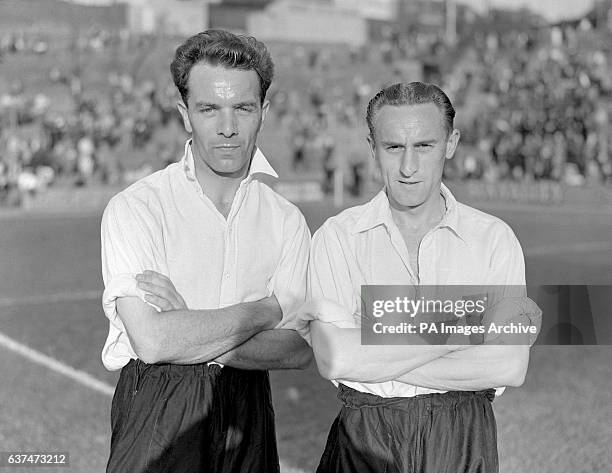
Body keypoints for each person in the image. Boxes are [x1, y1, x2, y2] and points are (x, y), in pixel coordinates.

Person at [299, 82, 541, 473]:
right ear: (372, 147)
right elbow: (336, 358)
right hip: (365, 435)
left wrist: (372, 343)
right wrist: (469, 323)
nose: (408, 167)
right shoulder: (337, 237)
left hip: (462, 435)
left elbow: (509, 365)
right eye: (394, 147)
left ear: (450, 143)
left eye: (424, 146)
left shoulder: (494, 239)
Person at [100, 30, 312, 473]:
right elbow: (155, 341)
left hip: (249, 408)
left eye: (243, 108)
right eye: (209, 108)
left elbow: (297, 350)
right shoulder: (137, 208)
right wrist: (264, 311)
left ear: (264, 112)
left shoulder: (286, 220)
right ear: (184, 114)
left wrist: (190, 319)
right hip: (159, 405)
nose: (228, 127)